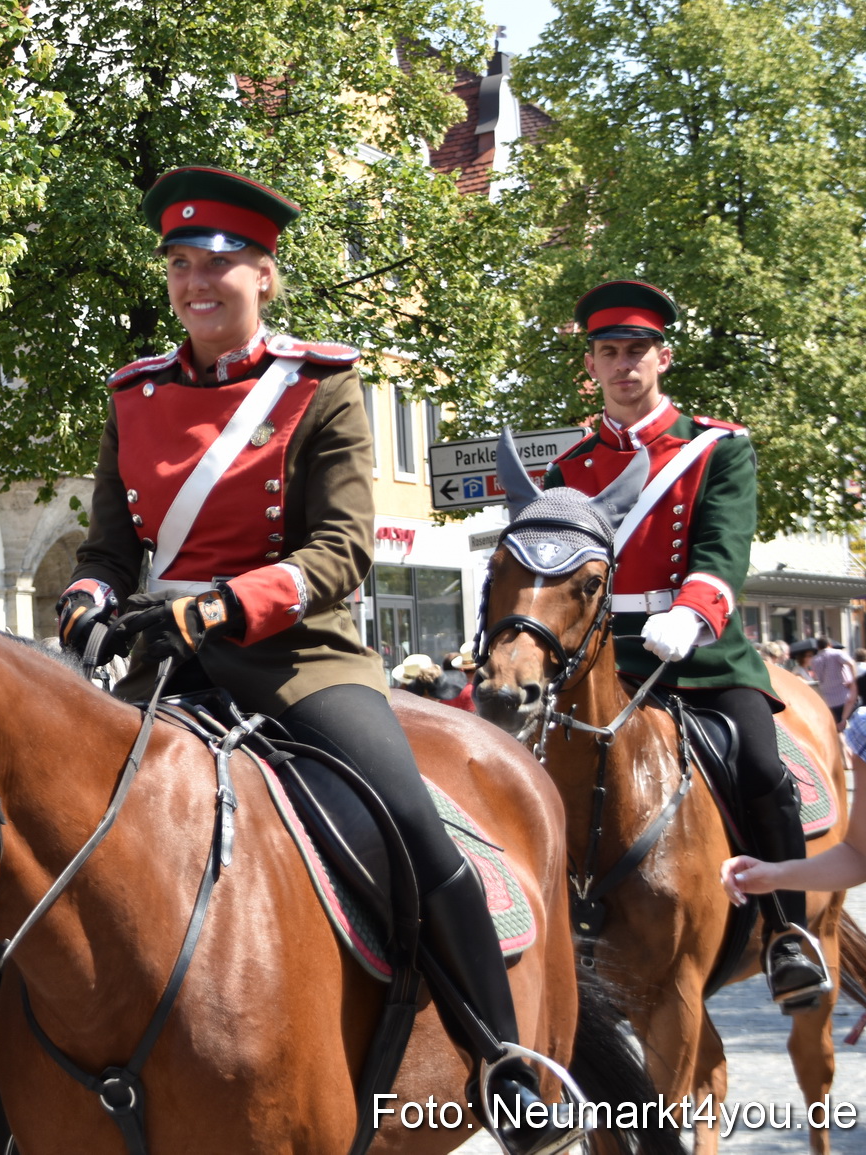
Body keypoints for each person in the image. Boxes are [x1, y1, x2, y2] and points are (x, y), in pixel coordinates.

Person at [55, 166, 577, 1155]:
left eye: (217, 265)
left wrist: (216, 610)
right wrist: (87, 599)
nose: (195, 284)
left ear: (265, 274)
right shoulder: (133, 395)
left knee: (413, 832)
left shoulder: (319, 389)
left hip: (295, 662)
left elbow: (341, 550)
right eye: (178, 265)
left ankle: (508, 1062)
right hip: (162, 670)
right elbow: (107, 548)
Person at [542, 280, 829, 1010]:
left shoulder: (716, 448)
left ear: (662, 357)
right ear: (592, 365)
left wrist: (695, 614)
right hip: (606, 655)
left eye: (636, 350)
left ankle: (787, 931)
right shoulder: (569, 466)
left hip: (698, 651)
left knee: (763, 768)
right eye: (608, 351)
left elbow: (723, 550)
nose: (622, 365)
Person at [721, 705, 866, 900]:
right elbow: (862, 855)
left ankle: (790, 920)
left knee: (763, 766)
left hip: (735, 677)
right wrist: (774, 874)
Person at [809, 636, 856, 728]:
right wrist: (853, 680)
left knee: (835, 728)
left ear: (818, 647)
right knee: (849, 725)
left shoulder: (814, 660)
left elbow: (815, 677)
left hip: (827, 700)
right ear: (830, 644)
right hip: (843, 696)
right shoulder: (837, 653)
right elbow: (851, 663)